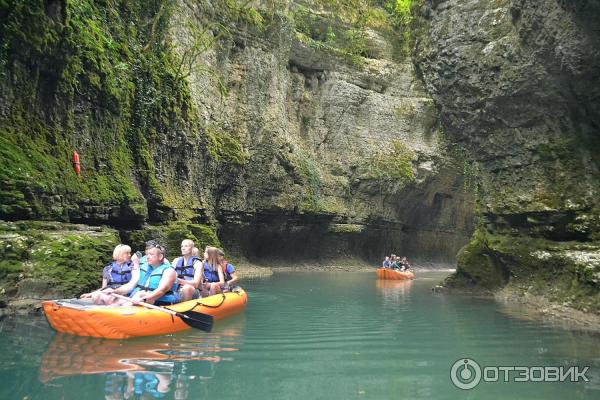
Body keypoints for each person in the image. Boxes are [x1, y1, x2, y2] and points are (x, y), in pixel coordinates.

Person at [93, 244, 179, 306]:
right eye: (147, 254)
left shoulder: (169, 271)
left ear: (160, 257)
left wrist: (144, 298)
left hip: (157, 300)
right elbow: (130, 285)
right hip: (137, 298)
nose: (147, 257)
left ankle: (120, 312)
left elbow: (161, 290)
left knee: (141, 293)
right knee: (102, 295)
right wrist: (114, 291)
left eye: (151, 254)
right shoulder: (142, 268)